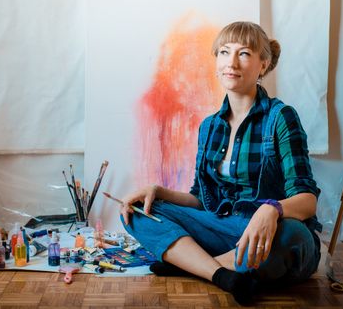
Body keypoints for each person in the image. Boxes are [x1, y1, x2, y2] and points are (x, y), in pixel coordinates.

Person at [120, 21, 322, 305]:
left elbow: (307, 200)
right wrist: (157, 190)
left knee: (294, 236)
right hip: (222, 229)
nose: (231, 62)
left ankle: (194, 264)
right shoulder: (209, 126)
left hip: (266, 233)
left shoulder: (281, 117)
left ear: (263, 65)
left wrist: (271, 209)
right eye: (224, 52)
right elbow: (200, 199)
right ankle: (224, 274)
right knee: (138, 211)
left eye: (244, 54)